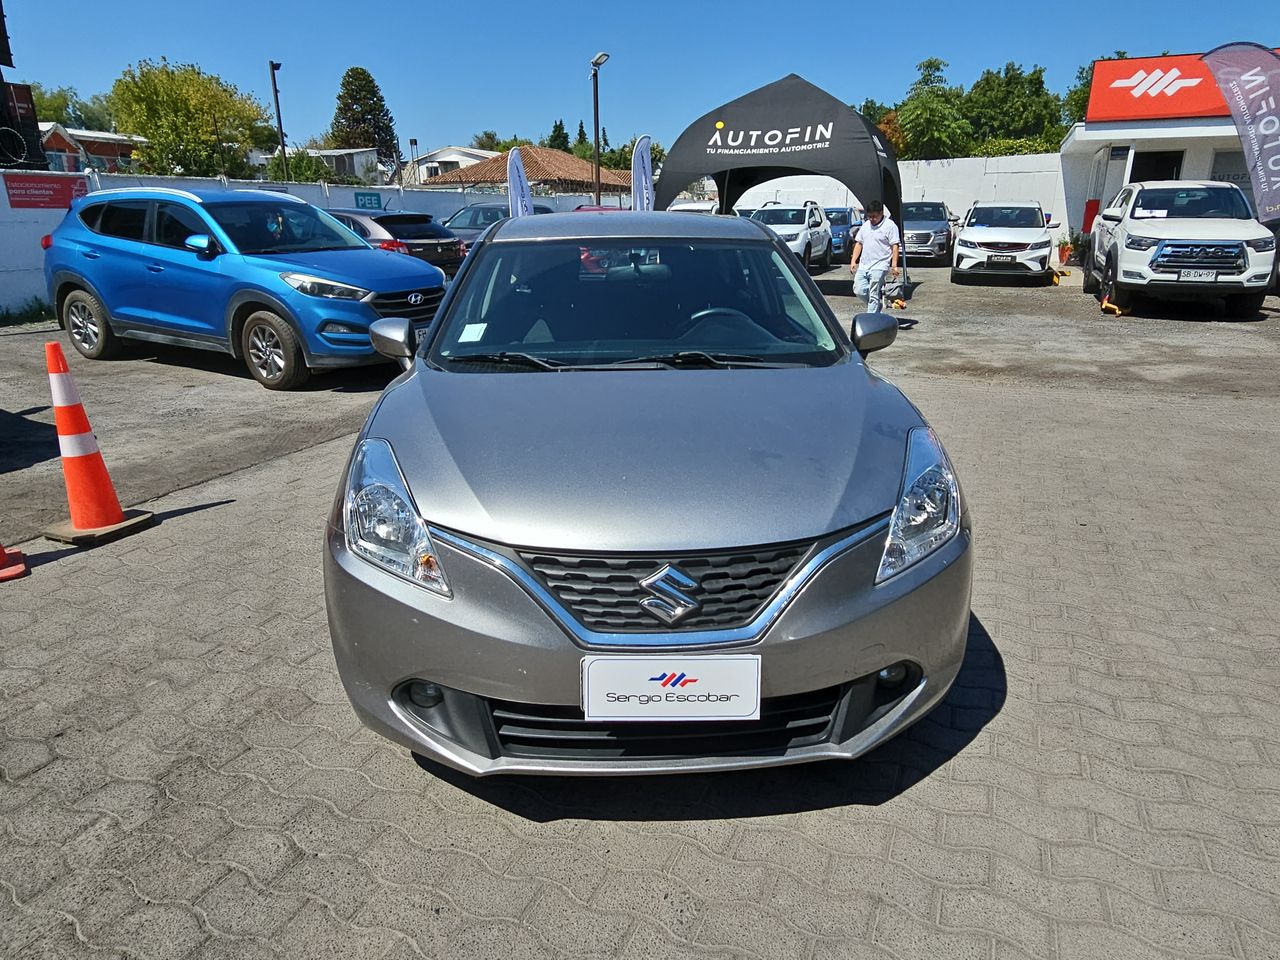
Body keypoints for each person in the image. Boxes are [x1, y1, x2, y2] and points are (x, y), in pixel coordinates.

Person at [849, 200, 901, 314]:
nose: (872, 219)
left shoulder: (890, 226)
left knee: (874, 293)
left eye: (874, 216)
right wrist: (853, 261)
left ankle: (871, 318)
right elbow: (859, 243)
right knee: (859, 290)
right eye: (869, 216)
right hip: (864, 265)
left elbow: (895, 246)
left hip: (880, 265)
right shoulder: (865, 225)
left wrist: (894, 265)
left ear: (881, 213)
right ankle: (876, 305)